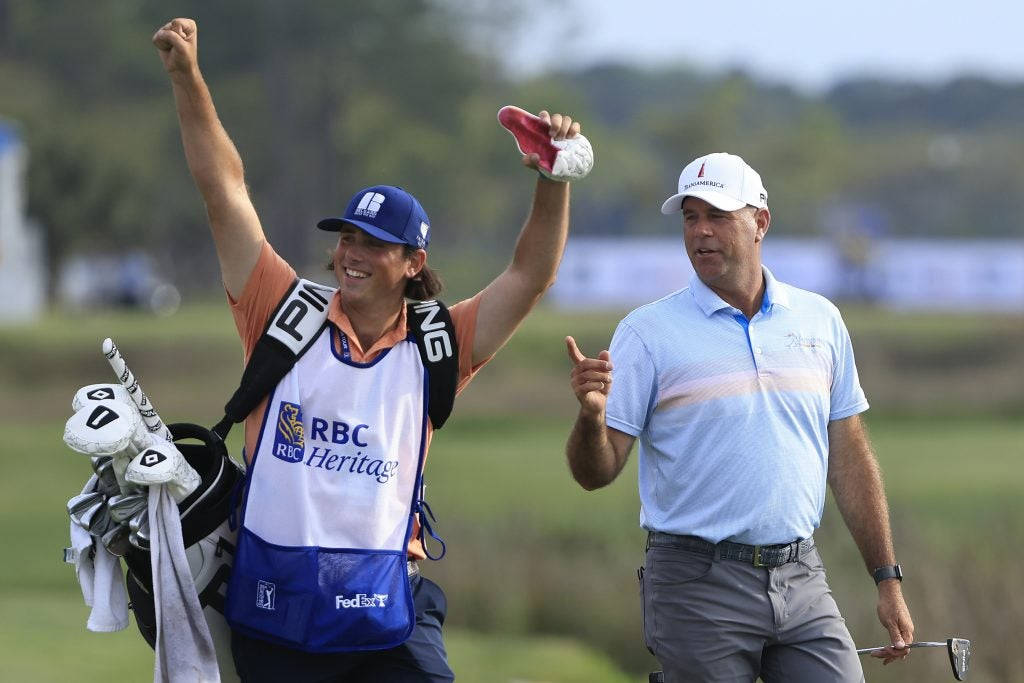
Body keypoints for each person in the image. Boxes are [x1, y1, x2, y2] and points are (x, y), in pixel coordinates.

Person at [154, 17, 584, 682]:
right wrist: (187, 78)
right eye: (347, 239)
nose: (351, 256)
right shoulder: (282, 308)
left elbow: (530, 277)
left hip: (387, 611)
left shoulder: (441, 340)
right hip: (278, 610)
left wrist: (552, 180)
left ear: (413, 261)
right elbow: (224, 190)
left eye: (374, 245)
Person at [564, 152, 914, 682]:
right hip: (695, 582)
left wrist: (887, 580)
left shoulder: (821, 320)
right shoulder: (646, 333)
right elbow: (597, 472)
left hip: (801, 576)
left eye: (719, 216)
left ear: (760, 224)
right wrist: (591, 418)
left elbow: (849, 456)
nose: (701, 231)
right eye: (690, 217)